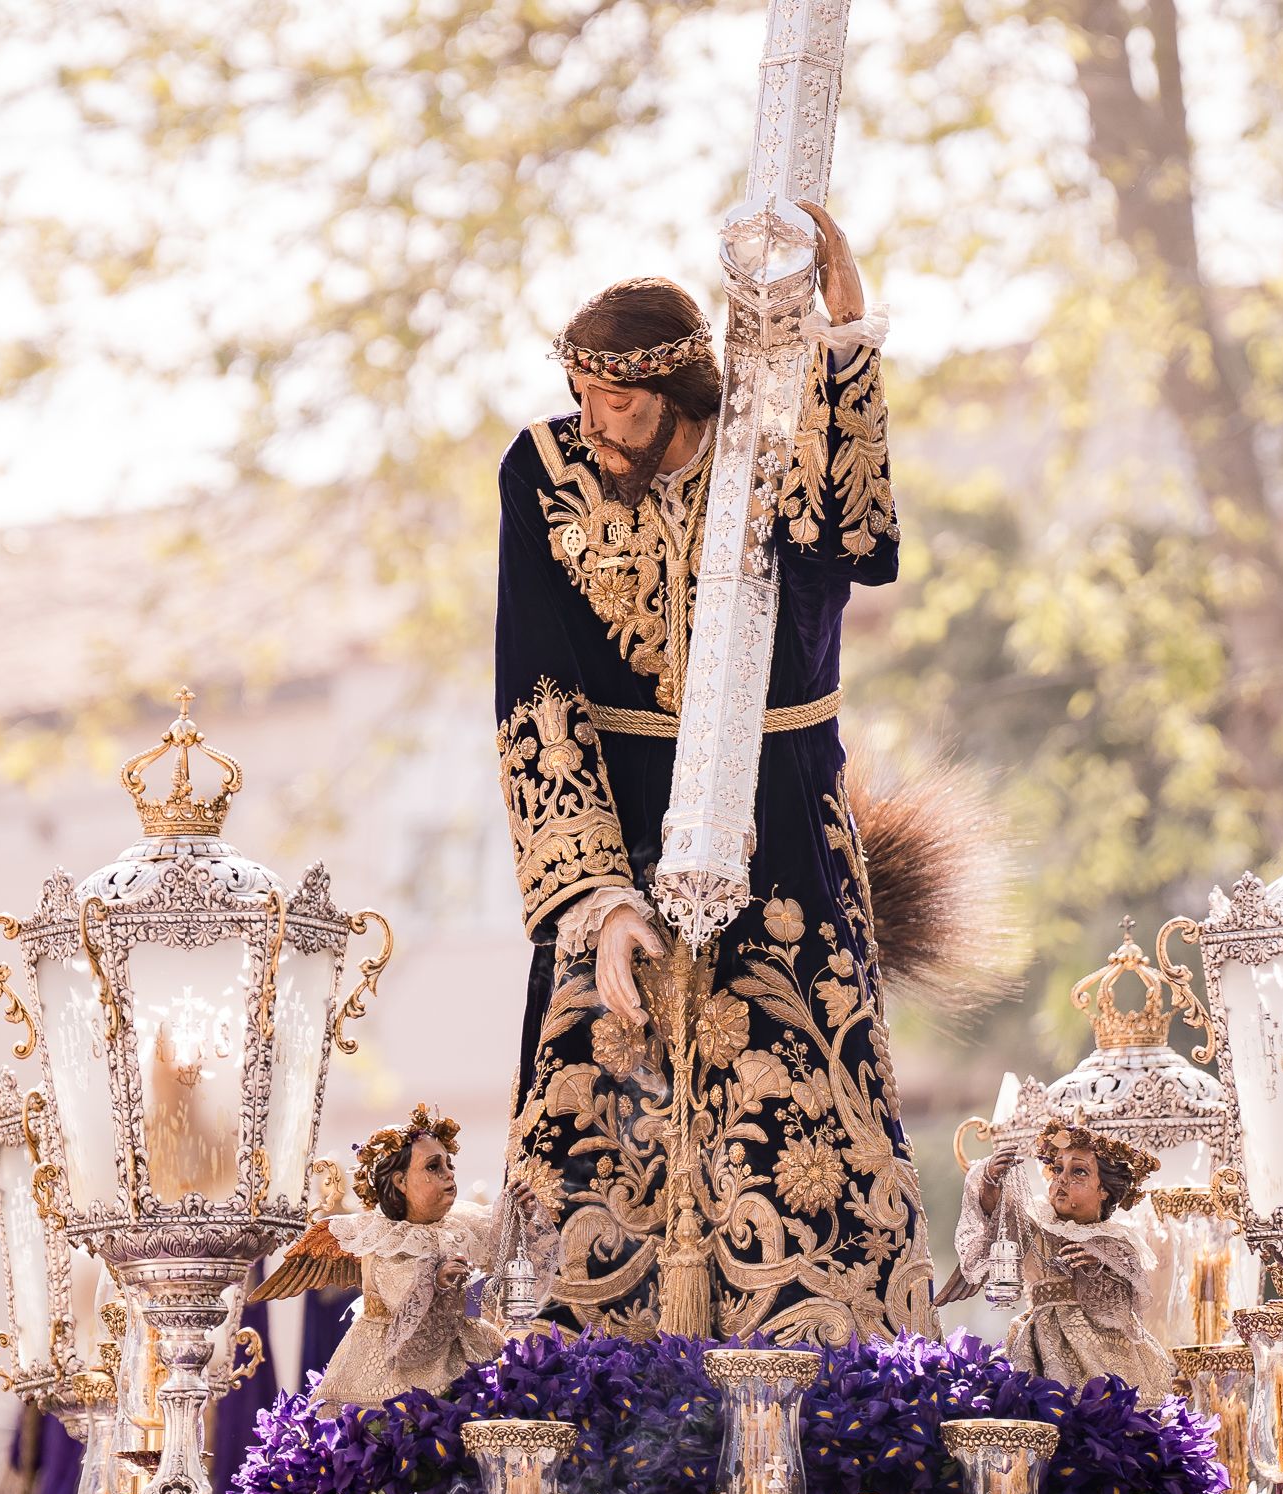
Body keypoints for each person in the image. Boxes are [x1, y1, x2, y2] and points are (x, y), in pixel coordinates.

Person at [495, 203, 937, 1343]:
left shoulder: (770, 446)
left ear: (681, 390)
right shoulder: (540, 474)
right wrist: (594, 901)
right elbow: (538, 700)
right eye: (587, 396)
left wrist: (846, 344)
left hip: (783, 827)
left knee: (800, 1134)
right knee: (603, 1137)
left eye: (624, 401)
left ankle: (831, 1401)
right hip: (623, 849)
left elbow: (860, 543)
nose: (597, 423)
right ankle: (582, 1410)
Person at [254, 1108, 506, 1411]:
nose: (449, 1174)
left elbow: (502, 1249)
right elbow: (399, 1291)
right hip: (392, 1365)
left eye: (448, 1164)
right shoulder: (381, 1238)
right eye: (433, 1166)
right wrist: (435, 1281)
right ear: (400, 1182)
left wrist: (520, 1210)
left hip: (456, 1349)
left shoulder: (458, 1224)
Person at [946, 1122, 1174, 1404]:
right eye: (1057, 1169)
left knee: (1106, 1415)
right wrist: (990, 1181)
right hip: (1041, 1343)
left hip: (1105, 1352)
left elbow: (1132, 1300)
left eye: (1078, 1172)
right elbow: (1001, 1217)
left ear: (1104, 1189)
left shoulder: (1117, 1242)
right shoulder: (1037, 1225)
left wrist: (1103, 1264)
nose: (1062, 1180)